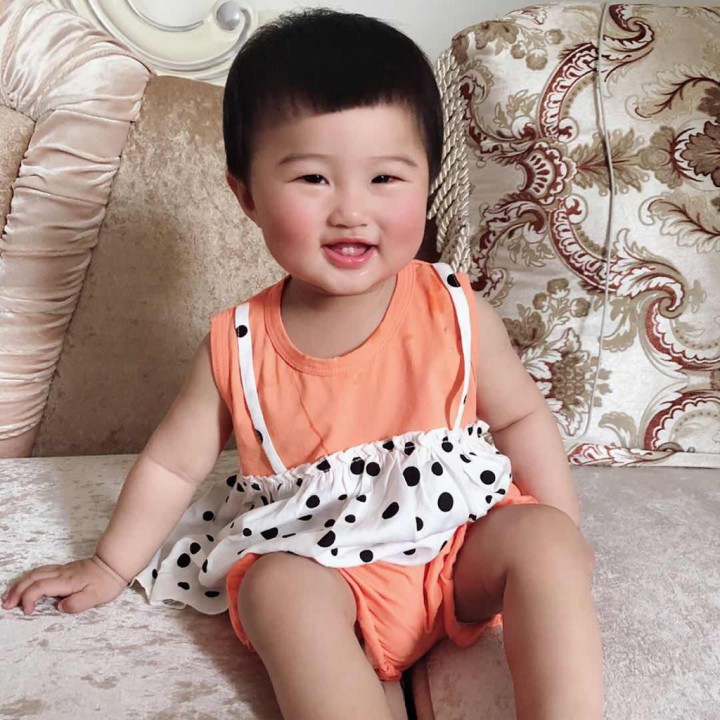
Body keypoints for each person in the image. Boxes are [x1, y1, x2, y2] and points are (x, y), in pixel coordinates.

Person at [2, 9, 604, 720]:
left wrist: (563, 532)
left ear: (428, 181)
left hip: (456, 552)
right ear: (247, 195)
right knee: (274, 589)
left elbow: (521, 415)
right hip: (325, 569)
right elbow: (170, 465)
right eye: (314, 178)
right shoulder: (238, 343)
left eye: (385, 176)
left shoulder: (453, 307)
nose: (351, 210)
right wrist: (108, 566)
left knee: (544, 537)